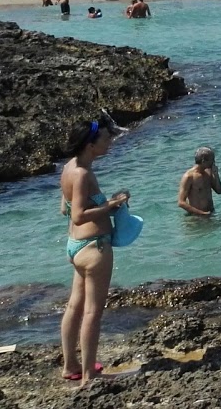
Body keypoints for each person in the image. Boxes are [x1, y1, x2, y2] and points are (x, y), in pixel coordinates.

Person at [60, 120, 130, 387]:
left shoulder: (69, 168)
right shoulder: (82, 174)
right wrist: (110, 204)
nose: (109, 141)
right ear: (90, 145)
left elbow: (65, 210)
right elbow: (78, 215)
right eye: (104, 139)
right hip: (94, 247)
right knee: (92, 312)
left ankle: (71, 366)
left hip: (75, 246)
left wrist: (103, 207)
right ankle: (89, 375)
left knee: (74, 306)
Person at [177, 147, 221, 217]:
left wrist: (216, 174)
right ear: (203, 161)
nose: (214, 162)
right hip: (196, 217)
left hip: (211, 213)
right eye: (212, 160)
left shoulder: (209, 172)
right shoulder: (189, 177)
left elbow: (219, 191)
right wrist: (202, 213)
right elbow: (181, 202)